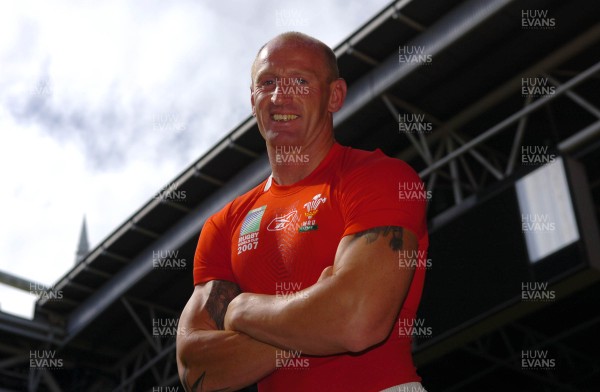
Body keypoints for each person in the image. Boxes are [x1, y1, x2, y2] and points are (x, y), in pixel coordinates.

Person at [176, 32, 429, 392]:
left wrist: (242, 311)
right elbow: (195, 370)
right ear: (252, 101)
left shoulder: (379, 177)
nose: (281, 95)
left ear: (335, 95)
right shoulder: (225, 223)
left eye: (300, 80)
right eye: (268, 82)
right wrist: (318, 311)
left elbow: (357, 321)